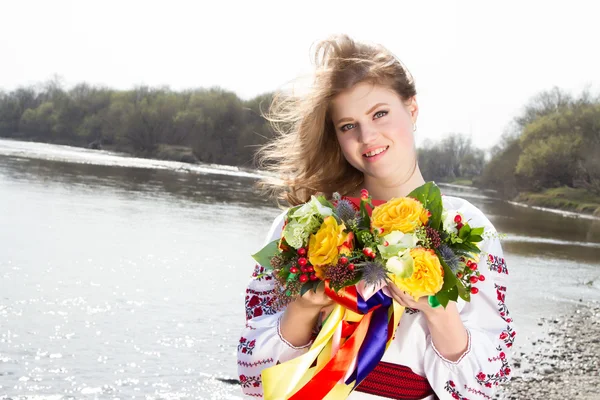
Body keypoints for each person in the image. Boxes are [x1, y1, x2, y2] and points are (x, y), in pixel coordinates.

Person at [237, 34, 514, 400]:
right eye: (347, 125)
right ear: (335, 135)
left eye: (380, 113)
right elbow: (253, 380)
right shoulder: (305, 226)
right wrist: (305, 306)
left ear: (412, 109)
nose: (367, 136)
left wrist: (438, 310)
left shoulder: (468, 228)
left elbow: (486, 386)